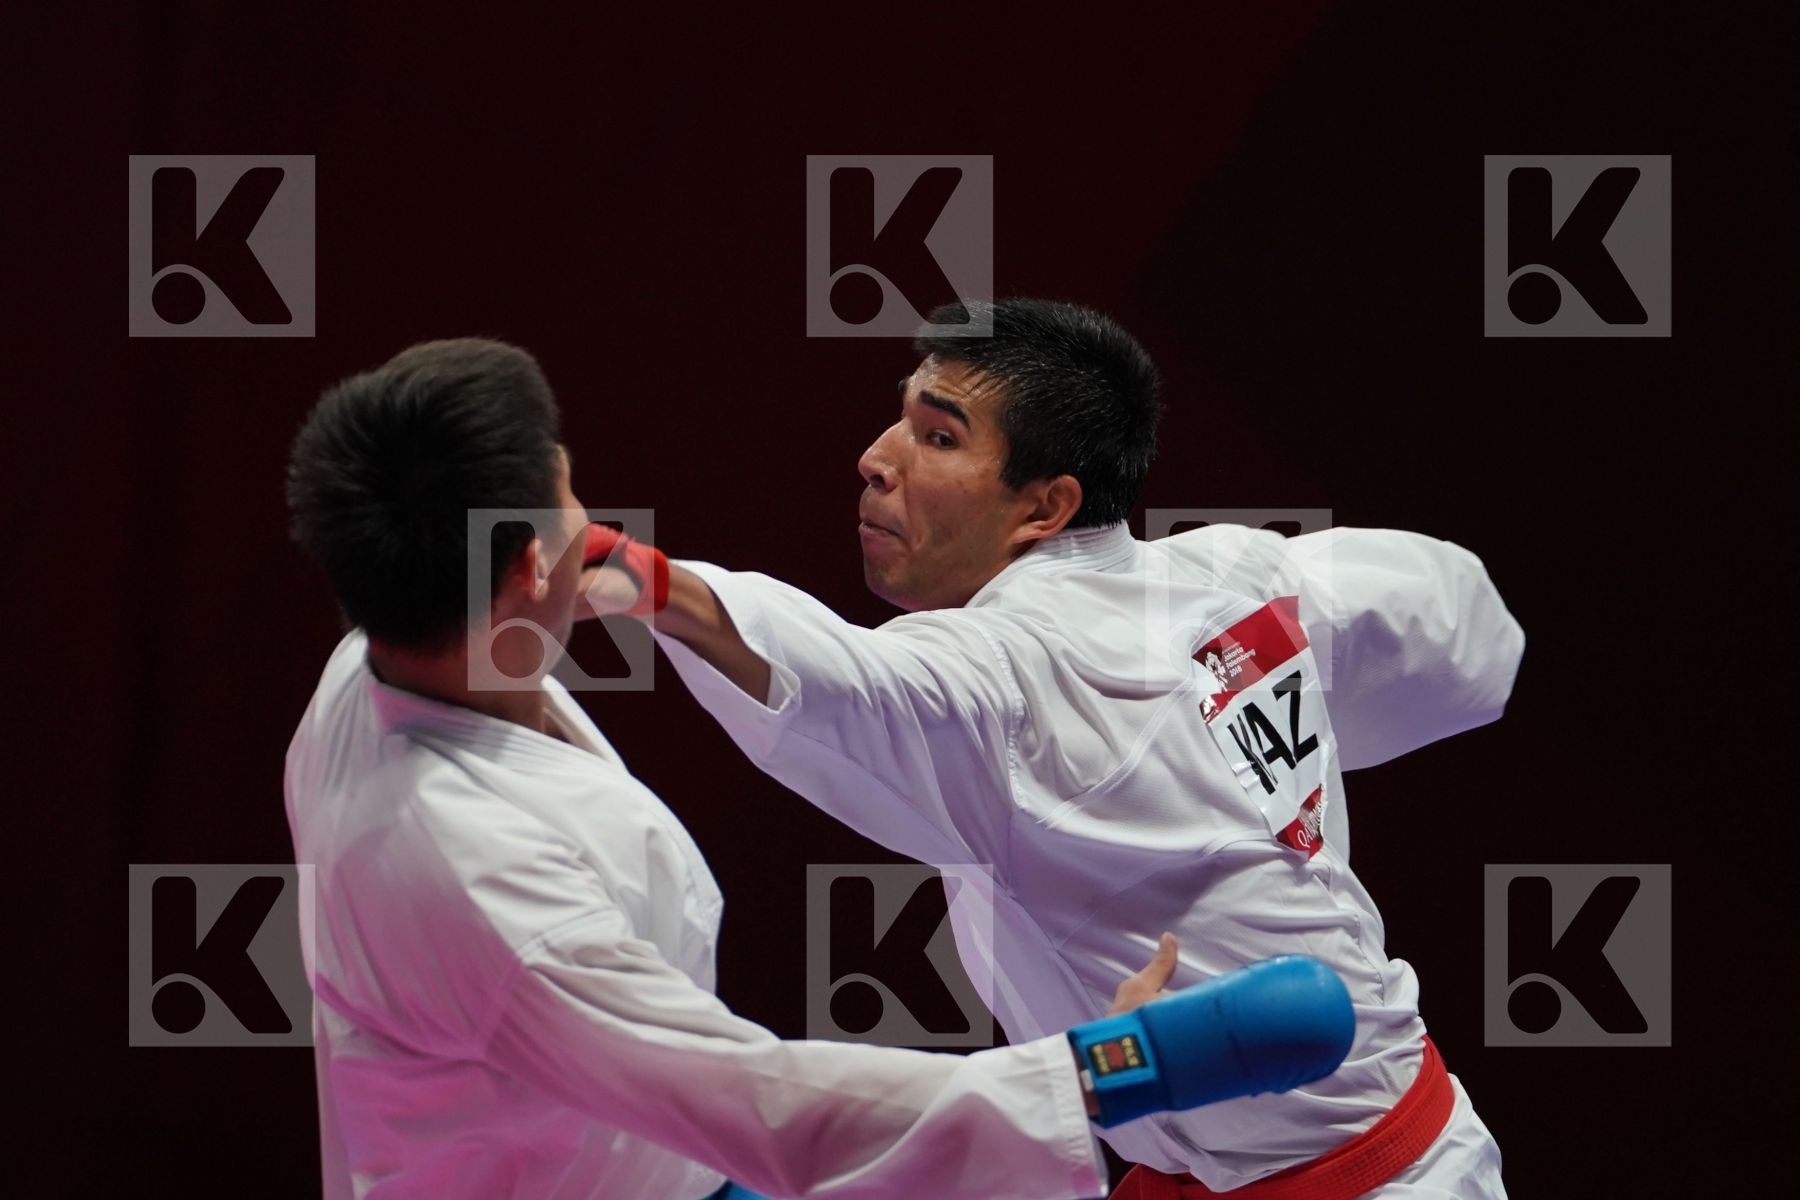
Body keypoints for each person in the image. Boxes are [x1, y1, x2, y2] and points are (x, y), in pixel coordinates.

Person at [280, 337, 1355, 1200]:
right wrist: (1111, 1068)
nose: (594, 520)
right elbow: (756, 1104)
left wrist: (661, 592)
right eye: (568, 498)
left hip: (608, 1154)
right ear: (527, 568)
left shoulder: (386, 653)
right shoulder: (483, 882)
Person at [593, 299, 1526, 1198]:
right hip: (1382, 1141)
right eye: (901, 422)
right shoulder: (1235, 578)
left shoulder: (1016, 679)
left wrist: (637, 576)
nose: (876, 459)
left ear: (1045, 506)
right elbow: (1463, 622)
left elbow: (840, 680)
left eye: (939, 437)